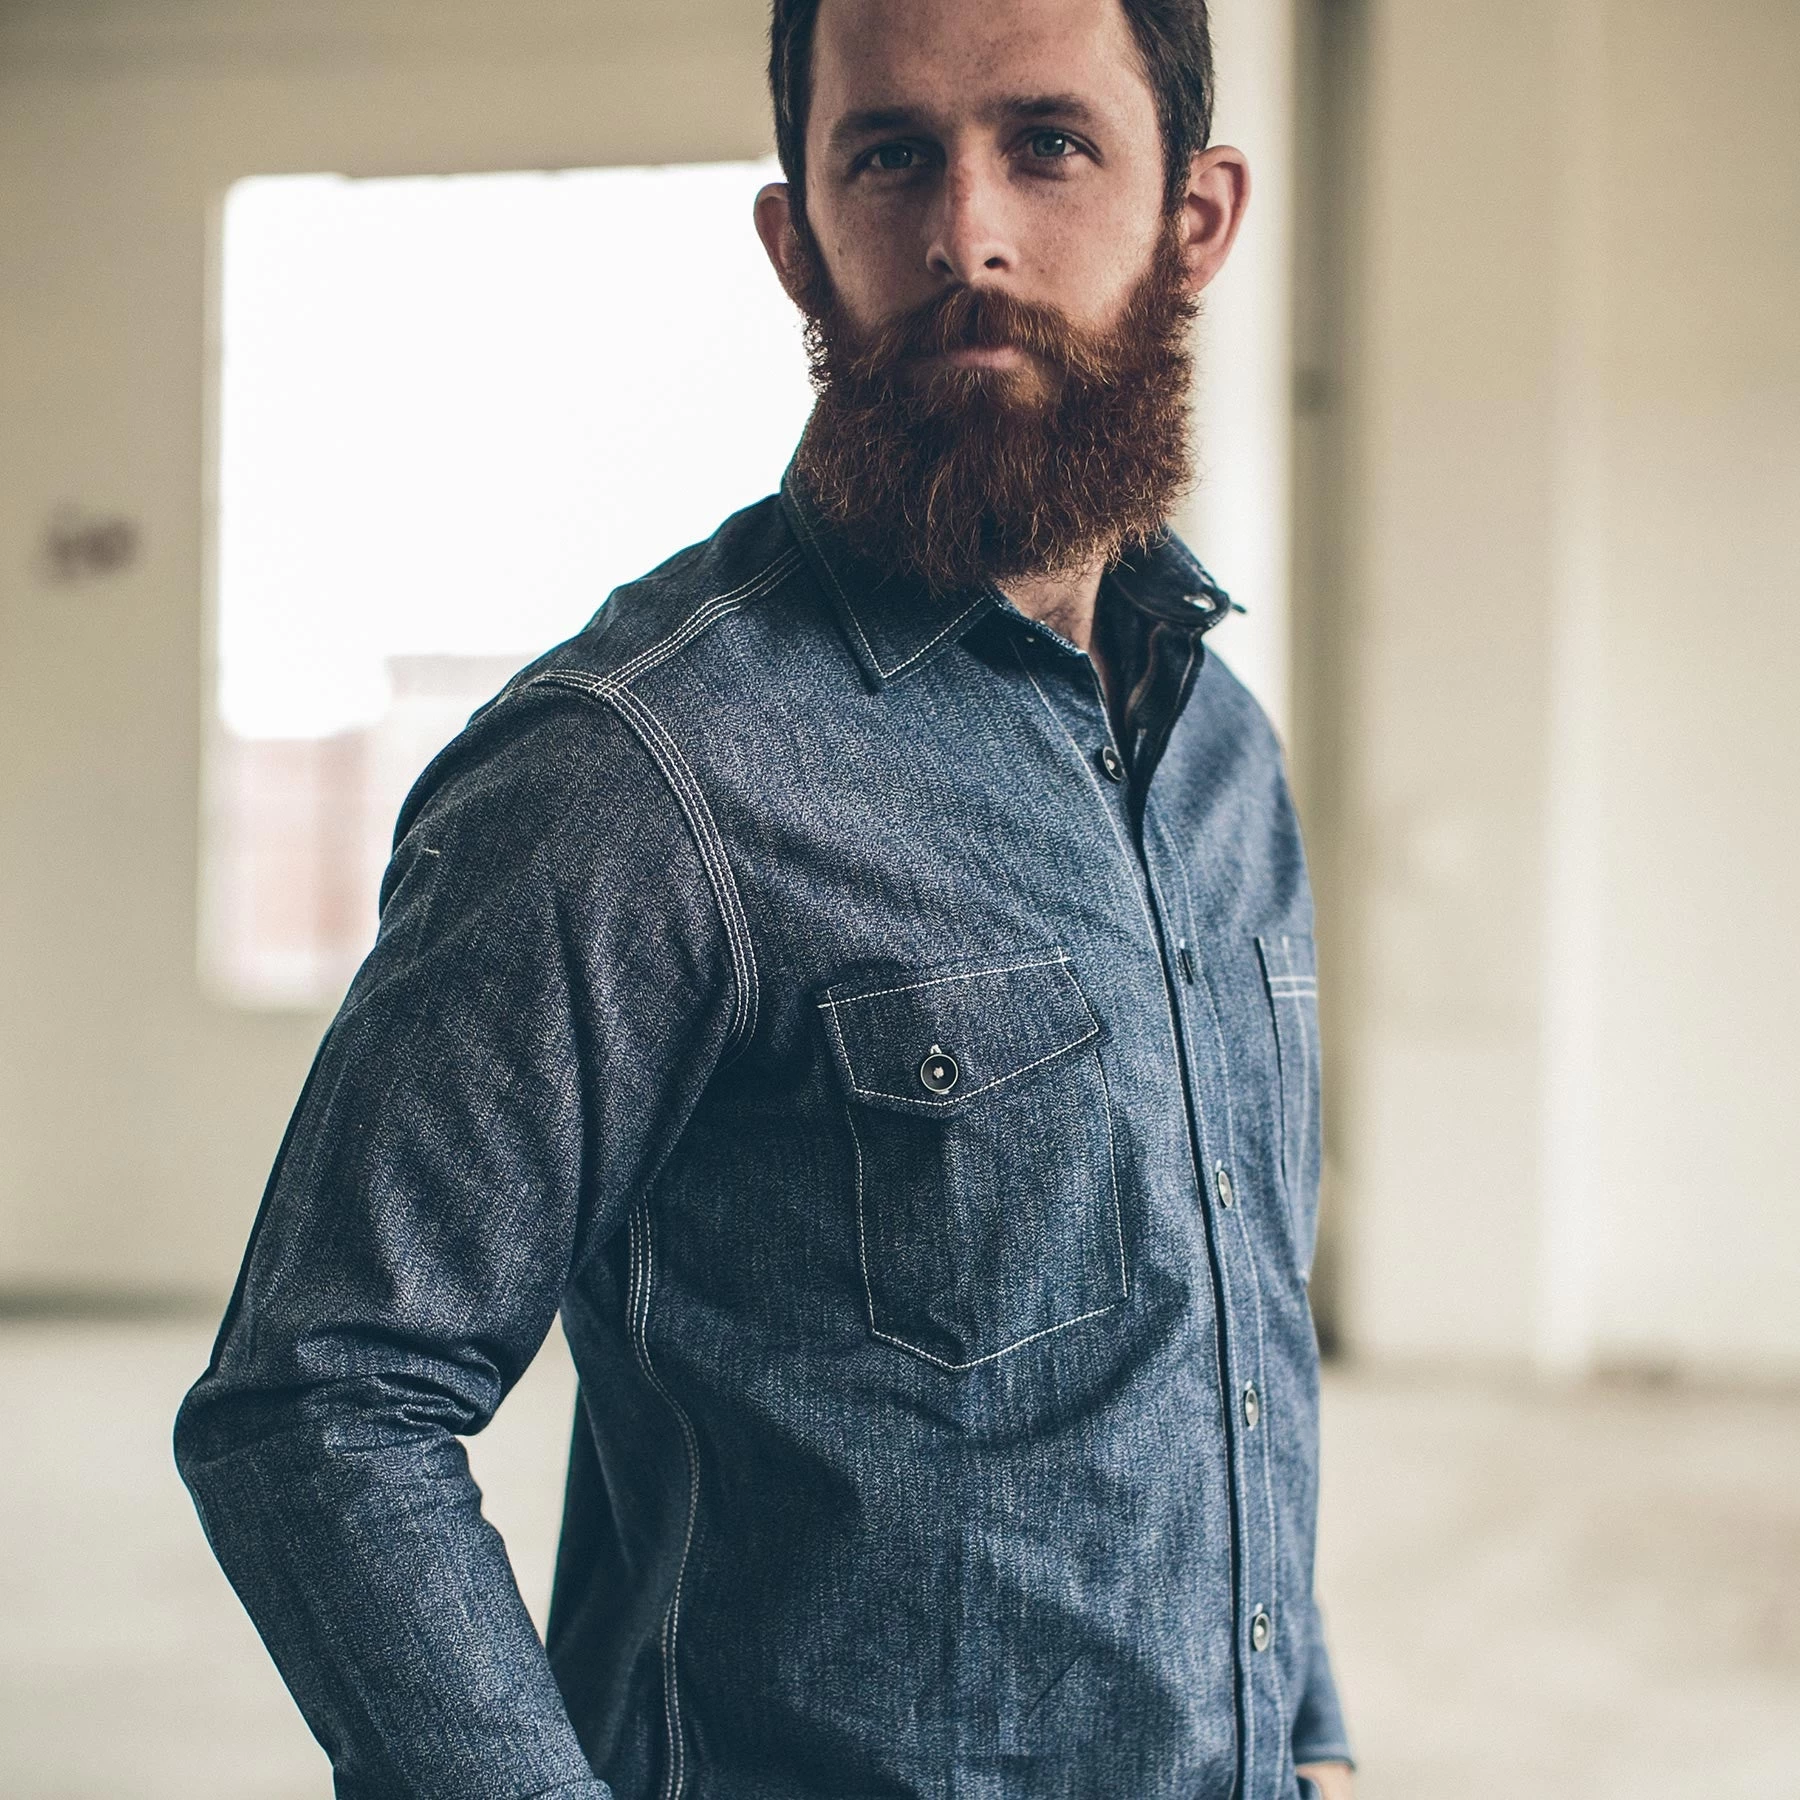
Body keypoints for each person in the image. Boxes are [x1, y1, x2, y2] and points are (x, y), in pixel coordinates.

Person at [174, 0, 1357, 1794]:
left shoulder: (1220, 752)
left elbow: (1222, 1327)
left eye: (1049, 145)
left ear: (1194, 220)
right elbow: (321, 1398)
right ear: (797, 240)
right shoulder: (637, 772)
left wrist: (1310, 1738)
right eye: (891, 157)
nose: (967, 232)